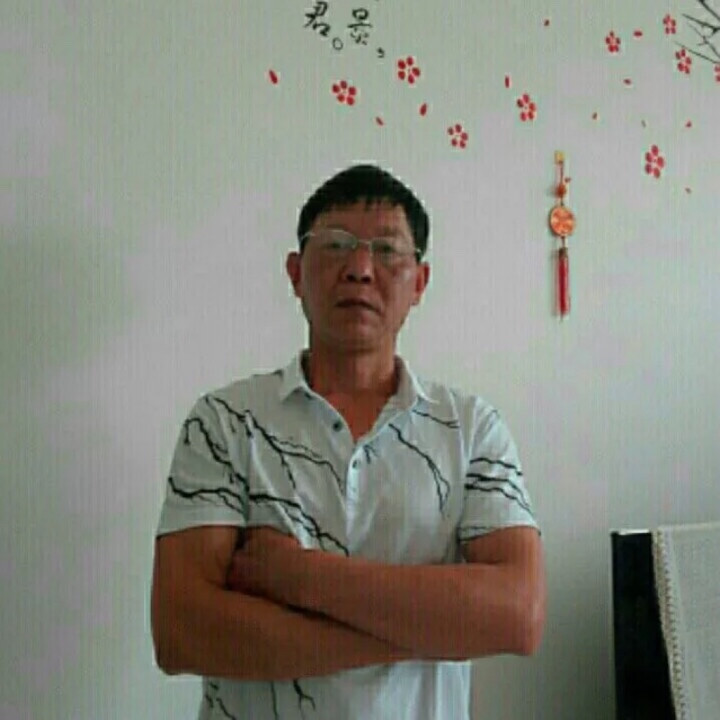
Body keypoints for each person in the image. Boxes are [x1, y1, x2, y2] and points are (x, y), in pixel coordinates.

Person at [150, 163, 546, 719]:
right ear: (296, 273)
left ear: (419, 283)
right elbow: (182, 632)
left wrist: (300, 576)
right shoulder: (224, 423)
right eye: (336, 245)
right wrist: (427, 627)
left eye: (387, 251)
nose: (360, 269)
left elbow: (518, 616)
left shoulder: (472, 429)